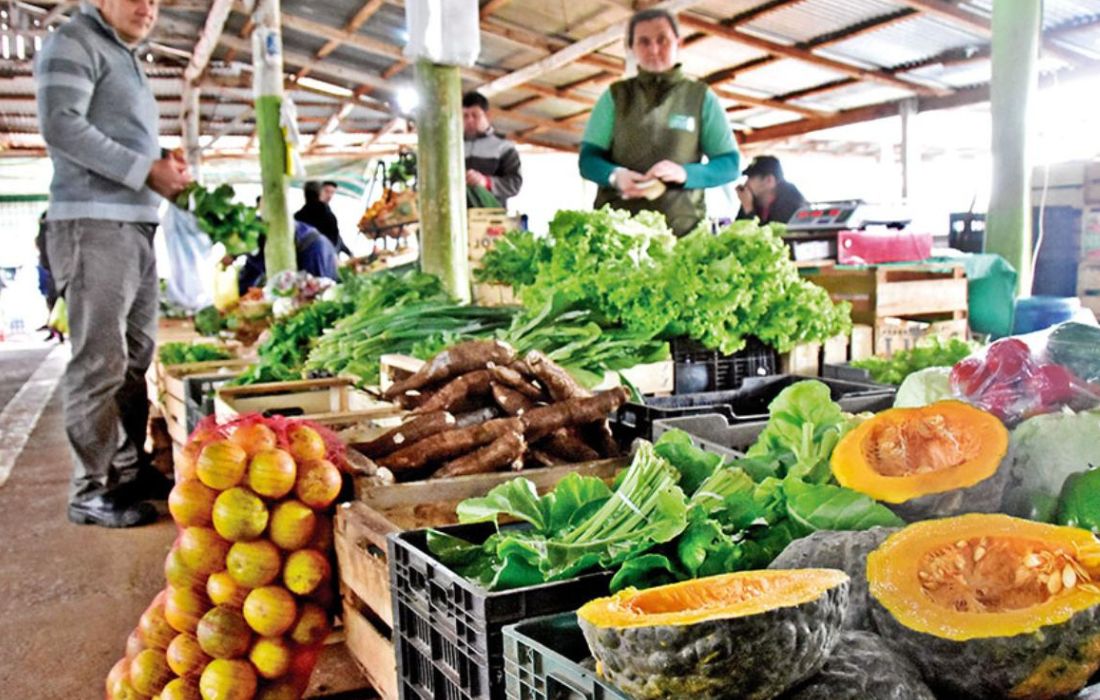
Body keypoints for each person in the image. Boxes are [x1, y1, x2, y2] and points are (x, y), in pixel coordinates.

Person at [36, 0, 191, 528]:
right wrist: (142, 169)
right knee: (99, 361)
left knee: (135, 358)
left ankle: (128, 469)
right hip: (92, 223)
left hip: (132, 223)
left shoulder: (123, 55)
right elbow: (60, 125)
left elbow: (118, 136)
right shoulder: (74, 41)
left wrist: (161, 161)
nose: (147, 7)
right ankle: (92, 487)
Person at [578, 9, 741, 237]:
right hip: (618, 236)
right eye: (643, 42)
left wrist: (685, 174)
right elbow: (588, 160)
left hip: (683, 234)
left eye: (662, 40)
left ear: (678, 42)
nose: (653, 49)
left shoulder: (700, 97)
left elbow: (730, 164)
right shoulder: (615, 96)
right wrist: (615, 176)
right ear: (631, 48)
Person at [237, 220, 339, 294]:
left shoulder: (252, 229)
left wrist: (233, 256)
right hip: (316, 246)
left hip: (313, 248)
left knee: (318, 296)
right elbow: (250, 274)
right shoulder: (252, 251)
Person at [462, 91, 523, 208]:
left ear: (488, 116)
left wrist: (486, 182)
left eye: (475, 115)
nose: (469, 120)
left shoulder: (504, 147)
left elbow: (514, 184)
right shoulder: (453, 148)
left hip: (491, 218)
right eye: (465, 116)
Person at [735, 155, 807, 226]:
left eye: (751, 178)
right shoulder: (752, 199)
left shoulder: (792, 202)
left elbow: (771, 235)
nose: (745, 184)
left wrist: (748, 209)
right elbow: (736, 231)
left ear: (769, 180)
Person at [294, 180, 348, 255]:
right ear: (320, 193)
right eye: (327, 191)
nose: (329, 196)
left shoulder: (297, 216)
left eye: (332, 193)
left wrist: (347, 251)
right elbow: (333, 242)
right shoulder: (329, 216)